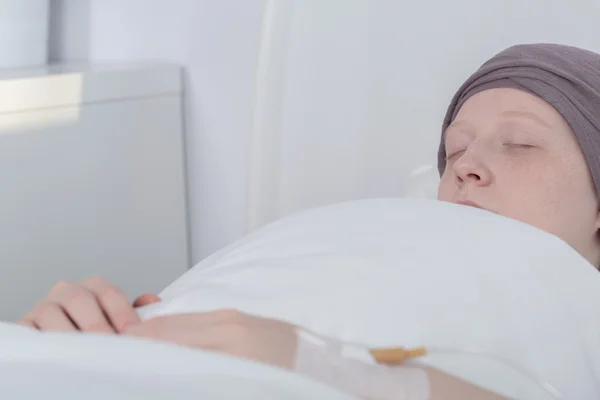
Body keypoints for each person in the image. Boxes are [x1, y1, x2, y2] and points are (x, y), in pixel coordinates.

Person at [16, 42, 600, 399]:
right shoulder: (371, 232)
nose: (467, 166)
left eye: (520, 144)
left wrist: (313, 365)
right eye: (456, 148)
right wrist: (68, 339)